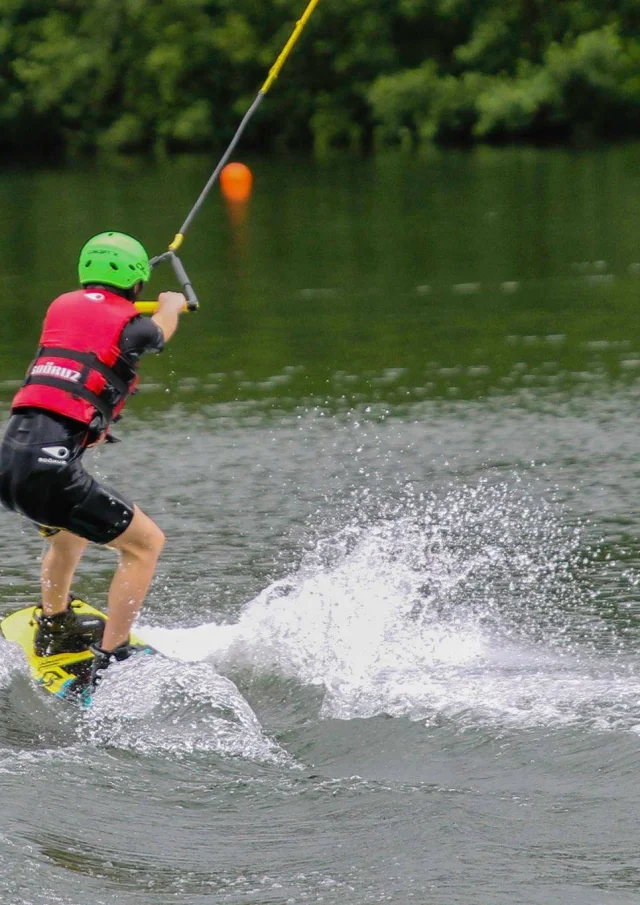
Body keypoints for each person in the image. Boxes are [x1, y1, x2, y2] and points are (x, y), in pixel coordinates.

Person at [0, 231, 186, 686]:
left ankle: (55, 622)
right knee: (145, 546)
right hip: (48, 471)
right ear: (136, 281)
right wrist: (172, 304)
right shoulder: (133, 324)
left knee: (68, 534)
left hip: (8, 464)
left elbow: (74, 383)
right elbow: (159, 331)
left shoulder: (62, 308)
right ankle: (113, 659)